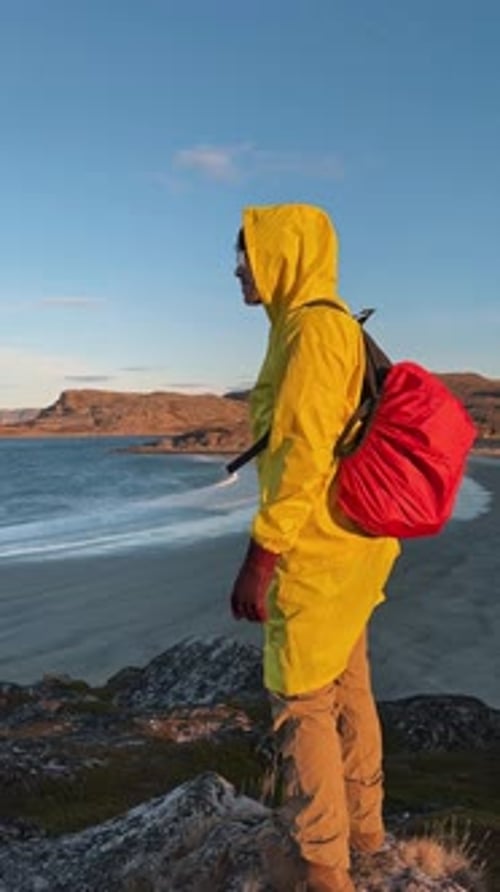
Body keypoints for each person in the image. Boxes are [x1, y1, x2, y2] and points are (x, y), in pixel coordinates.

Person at [229, 203, 400, 892]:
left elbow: (298, 456)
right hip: (354, 546)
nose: (239, 268)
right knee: (349, 685)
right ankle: (366, 833)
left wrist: (259, 556)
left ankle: (323, 867)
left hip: (320, 552)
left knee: (300, 701)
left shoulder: (311, 332)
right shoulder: (325, 326)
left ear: (285, 252)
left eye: (247, 252)